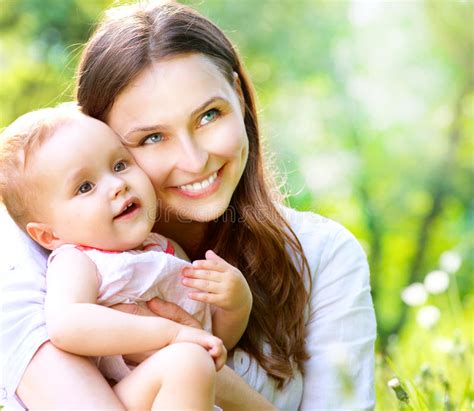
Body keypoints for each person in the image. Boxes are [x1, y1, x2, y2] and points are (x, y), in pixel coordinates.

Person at [1, 1, 377, 410]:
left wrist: (208, 356)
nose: (195, 160)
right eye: (152, 138)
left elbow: (210, 337)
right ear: (97, 135)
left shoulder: (323, 256)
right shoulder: (31, 250)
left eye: (208, 116)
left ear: (238, 95)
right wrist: (181, 352)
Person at [0, 105, 240, 410]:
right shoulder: (79, 261)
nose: (118, 185)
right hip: (122, 397)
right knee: (188, 360)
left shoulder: (164, 251)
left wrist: (235, 304)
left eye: (120, 165)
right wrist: (170, 334)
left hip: (181, 392)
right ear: (50, 236)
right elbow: (67, 325)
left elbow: (212, 341)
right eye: (85, 187)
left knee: (193, 358)